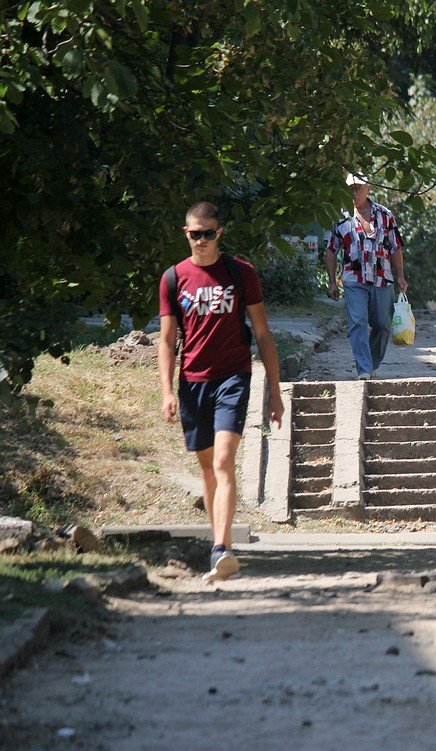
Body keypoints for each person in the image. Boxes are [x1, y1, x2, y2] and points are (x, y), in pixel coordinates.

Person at [158, 201, 285, 581]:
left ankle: (222, 548)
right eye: (195, 234)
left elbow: (262, 332)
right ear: (186, 234)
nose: (201, 241)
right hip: (192, 382)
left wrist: (275, 391)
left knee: (224, 461)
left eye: (208, 234)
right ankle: (219, 545)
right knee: (208, 470)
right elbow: (167, 341)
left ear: (219, 234)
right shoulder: (173, 278)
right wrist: (166, 390)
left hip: (233, 377)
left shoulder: (240, 273)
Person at [325, 172, 408, 379]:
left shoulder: (384, 215)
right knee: (358, 322)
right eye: (351, 188)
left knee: (382, 325)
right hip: (353, 279)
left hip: (382, 279)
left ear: (368, 188)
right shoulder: (339, 217)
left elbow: (396, 247)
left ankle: (371, 363)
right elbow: (331, 250)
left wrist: (400, 276)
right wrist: (332, 282)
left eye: (358, 188)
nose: (354, 192)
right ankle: (363, 368)